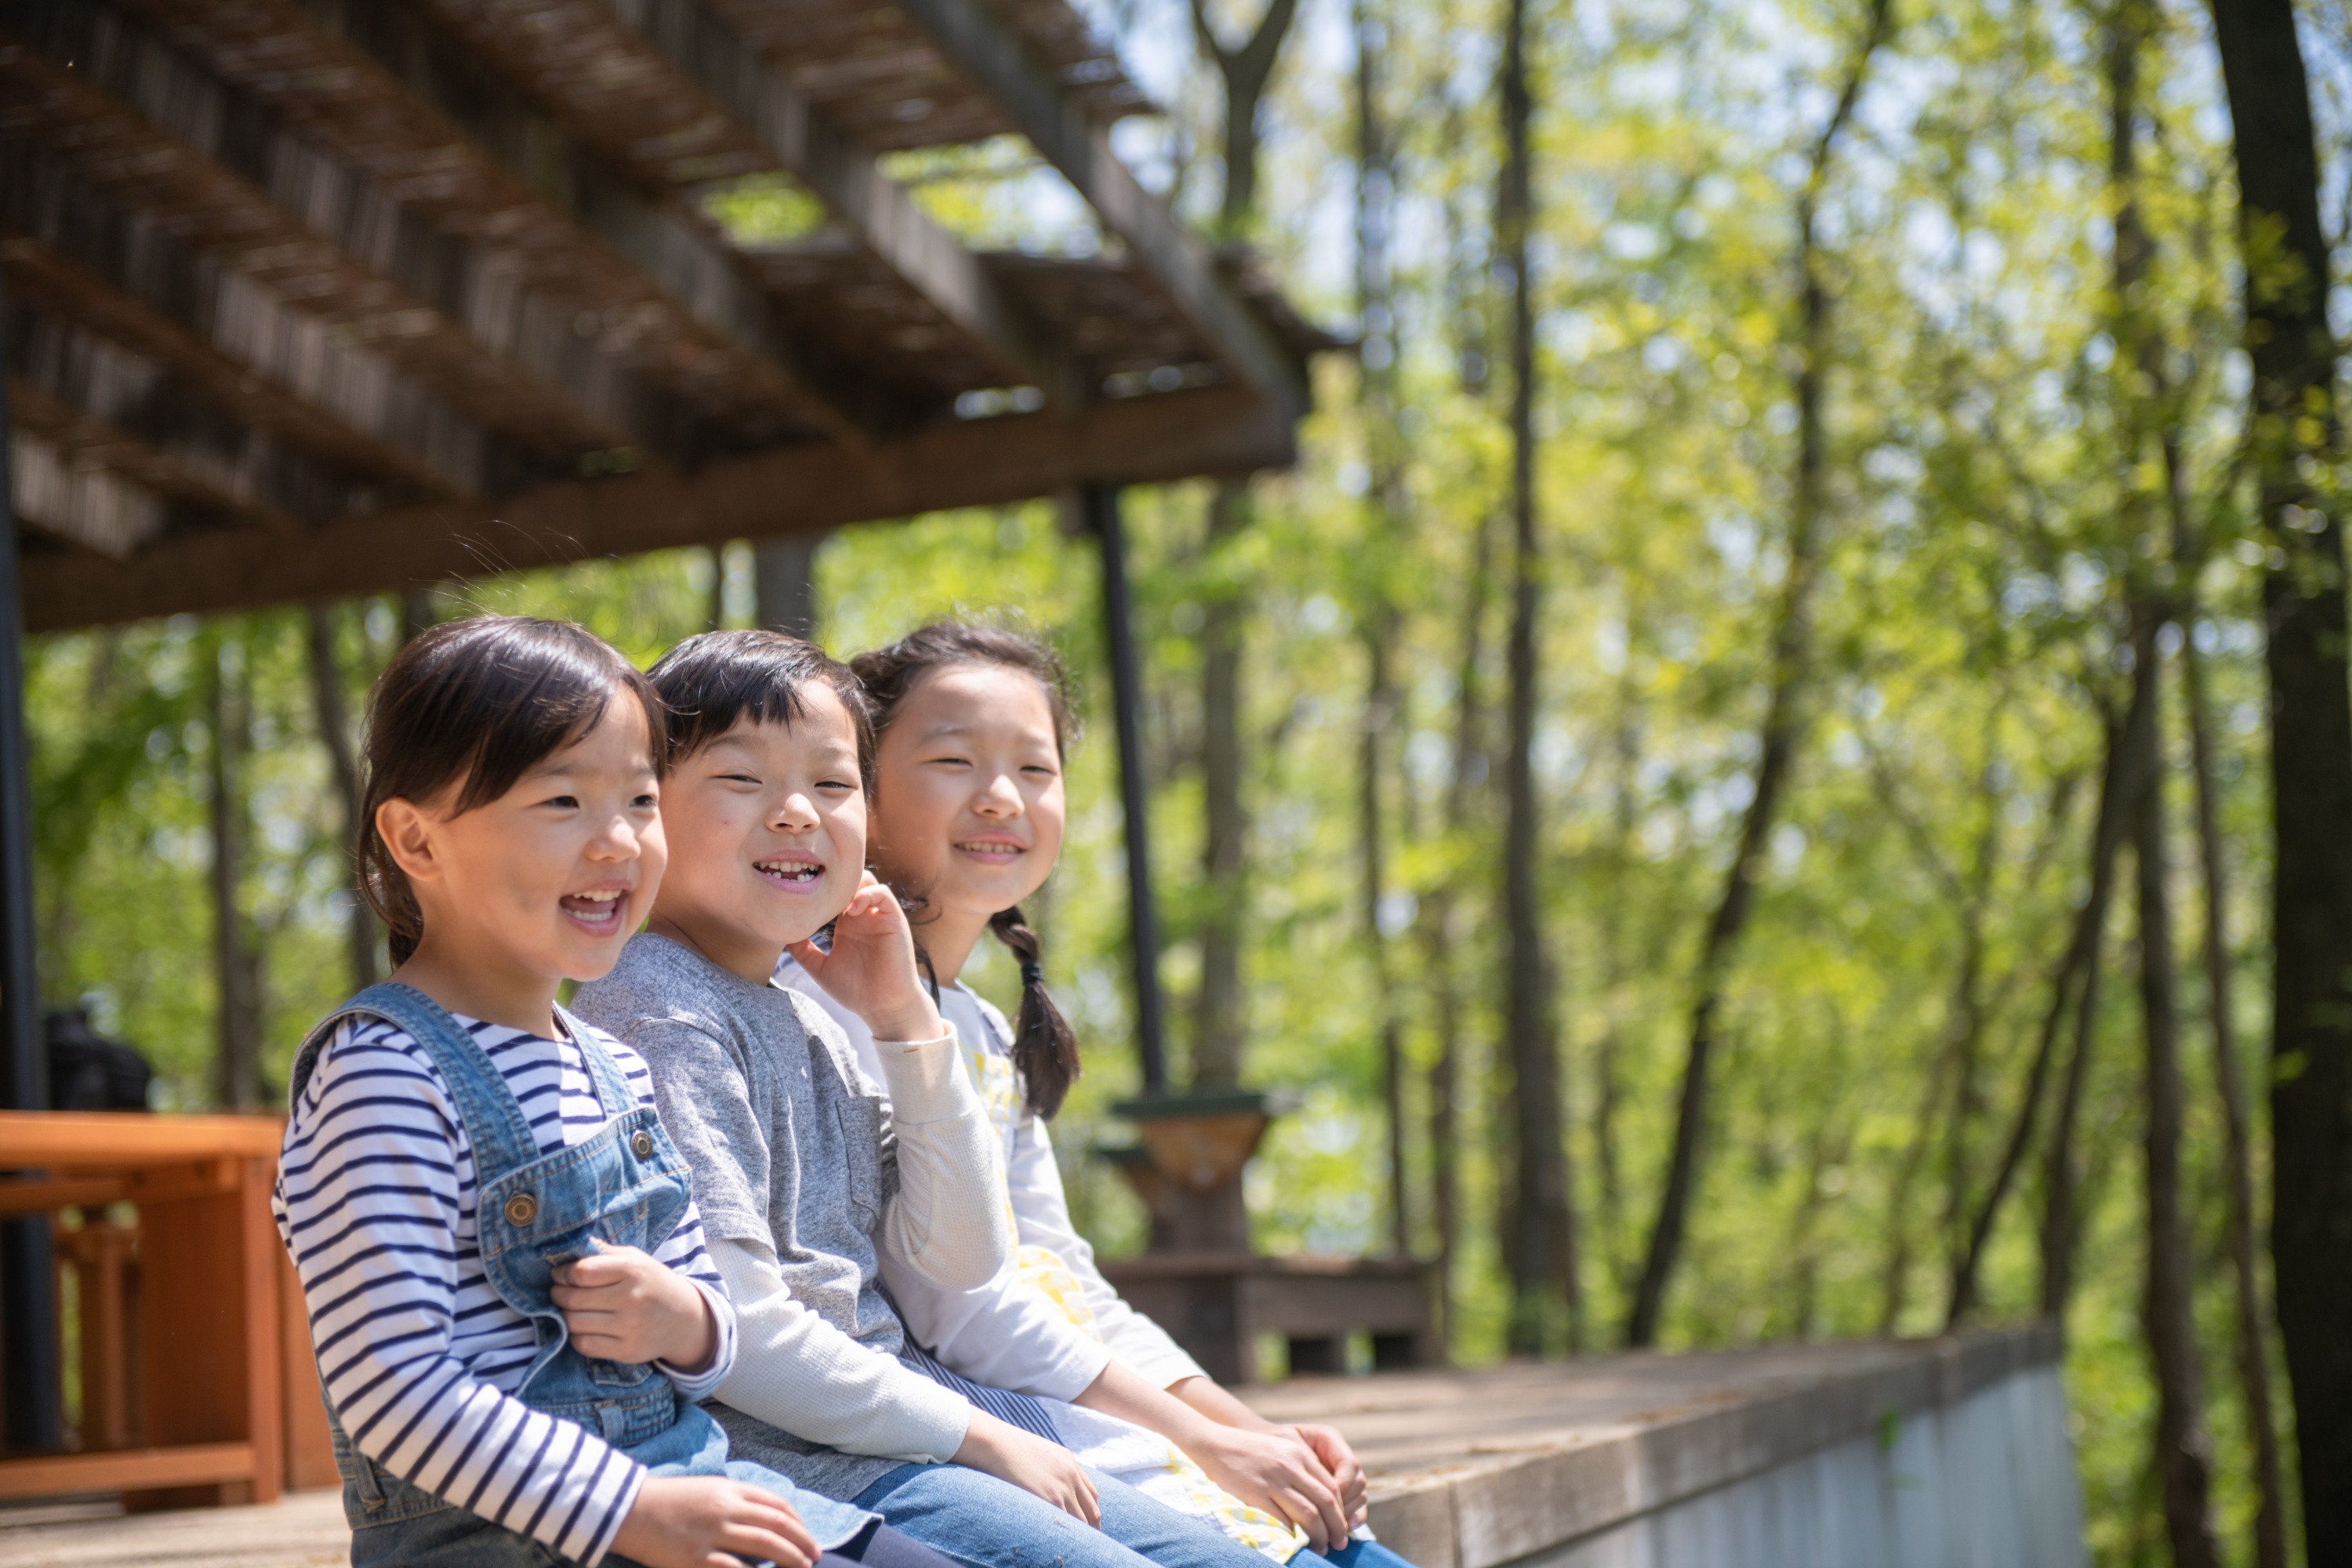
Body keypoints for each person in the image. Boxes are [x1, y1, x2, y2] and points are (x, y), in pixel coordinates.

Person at [571, 630, 1333, 1568]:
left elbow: (968, 1255)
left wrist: (905, 1023)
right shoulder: (659, 1003)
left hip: (900, 1435)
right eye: (741, 780)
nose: (796, 814)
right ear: (649, 806)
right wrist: (977, 1436)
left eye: (831, 783)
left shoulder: (813, 1008)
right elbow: (744, 1325)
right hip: (804, 1464)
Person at [274, 615, 951, 1568]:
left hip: (691, 1481)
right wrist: (625, 1509)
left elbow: (711, 1318)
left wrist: (683, 1319)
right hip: (512, 1538)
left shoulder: (612, 1063)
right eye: (562, 801)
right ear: (416, 839)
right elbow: (394, 1387)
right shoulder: (383, 1072)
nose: (619, 841)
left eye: (639, 800)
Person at [776, 622, 1399, 1567]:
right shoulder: (830, 1006)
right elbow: (959, 1304)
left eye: (1036, 767)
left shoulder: (980, 1028)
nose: (1002, 796)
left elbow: (1067, 1279)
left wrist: (1249, 1427)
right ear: (859, 785)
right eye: (953, 759)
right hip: (964, 1441)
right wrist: (1203, 1439)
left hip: (1069, 1418)